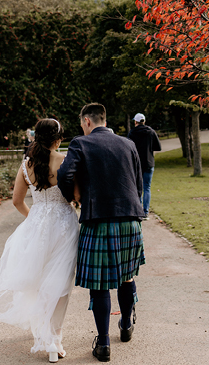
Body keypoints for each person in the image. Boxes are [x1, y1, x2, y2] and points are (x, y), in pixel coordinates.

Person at [0, 118, 80, 363]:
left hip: (36, 226)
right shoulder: (65, 160)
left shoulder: (26, 165)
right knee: (60, 283)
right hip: (64, 226)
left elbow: (17, 201)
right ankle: (53, 339)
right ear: (58, 139)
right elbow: (77, 195)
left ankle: (45, 334)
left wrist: (35, 219)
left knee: (38, 281)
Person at [57, 103, 145, 362]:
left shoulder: (80, 144)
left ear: (86, 121)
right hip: (130, 219)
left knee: (100, 283)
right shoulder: (128, 143)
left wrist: (75, 197)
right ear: (104, 120)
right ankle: (126, 325)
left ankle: (104, 343)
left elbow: (65, 176)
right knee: (127, 276)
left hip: (98, 221)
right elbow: (138, 183)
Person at [128, 113, 161, 216]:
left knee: (137, 187)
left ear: (135, 122)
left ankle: (138, 212)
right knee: (147, 187)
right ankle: (146, 212)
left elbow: (128, 148)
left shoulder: (132, 133)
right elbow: (158, 147)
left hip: (136, 164)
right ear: (144, 121)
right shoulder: (151, 132)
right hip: (149, 162)